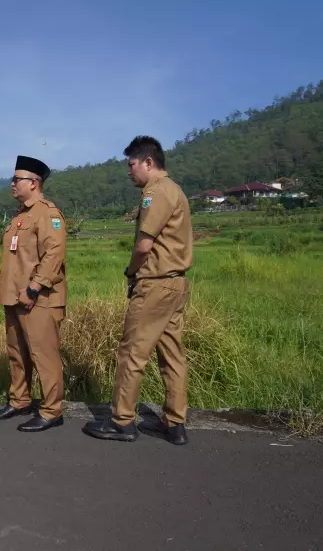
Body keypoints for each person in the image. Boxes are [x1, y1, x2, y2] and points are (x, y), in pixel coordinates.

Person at [83, 136, 193, 445]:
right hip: (177, 282)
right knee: (172, 354)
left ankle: (122, 421)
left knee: (132, 353)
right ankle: (174, 423)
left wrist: (131, 272)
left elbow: (144, 245)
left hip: (156, 283)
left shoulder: (155, 193)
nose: (129, 171)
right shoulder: (176, 190)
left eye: (131, 164)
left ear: (148, 162)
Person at [0, 155, 67, 432]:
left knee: (43, 355)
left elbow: (54, 254)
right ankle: (19, 400)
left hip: (39, 299)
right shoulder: (20, 216)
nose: (12, 184)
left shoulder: (48, 213)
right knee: (17, 353)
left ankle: (51, 410)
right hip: (14, 297)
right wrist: (2, 282)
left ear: (33, 183)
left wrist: (34, 287)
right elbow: (14, 257)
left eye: (16, 179)